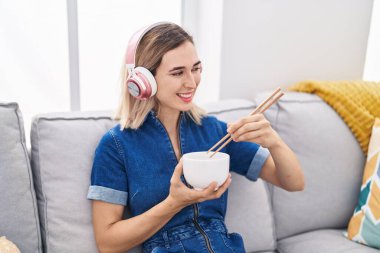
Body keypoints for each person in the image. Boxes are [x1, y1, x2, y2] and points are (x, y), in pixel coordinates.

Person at [87, 22, 305, 253]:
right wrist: (174, 203)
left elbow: (294, 182)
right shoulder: (117, 146)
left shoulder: (215, 132)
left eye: (196, 68)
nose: (191, 82)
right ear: (143, 81)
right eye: (178, 72)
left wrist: (274, 141)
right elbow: (108, 243)